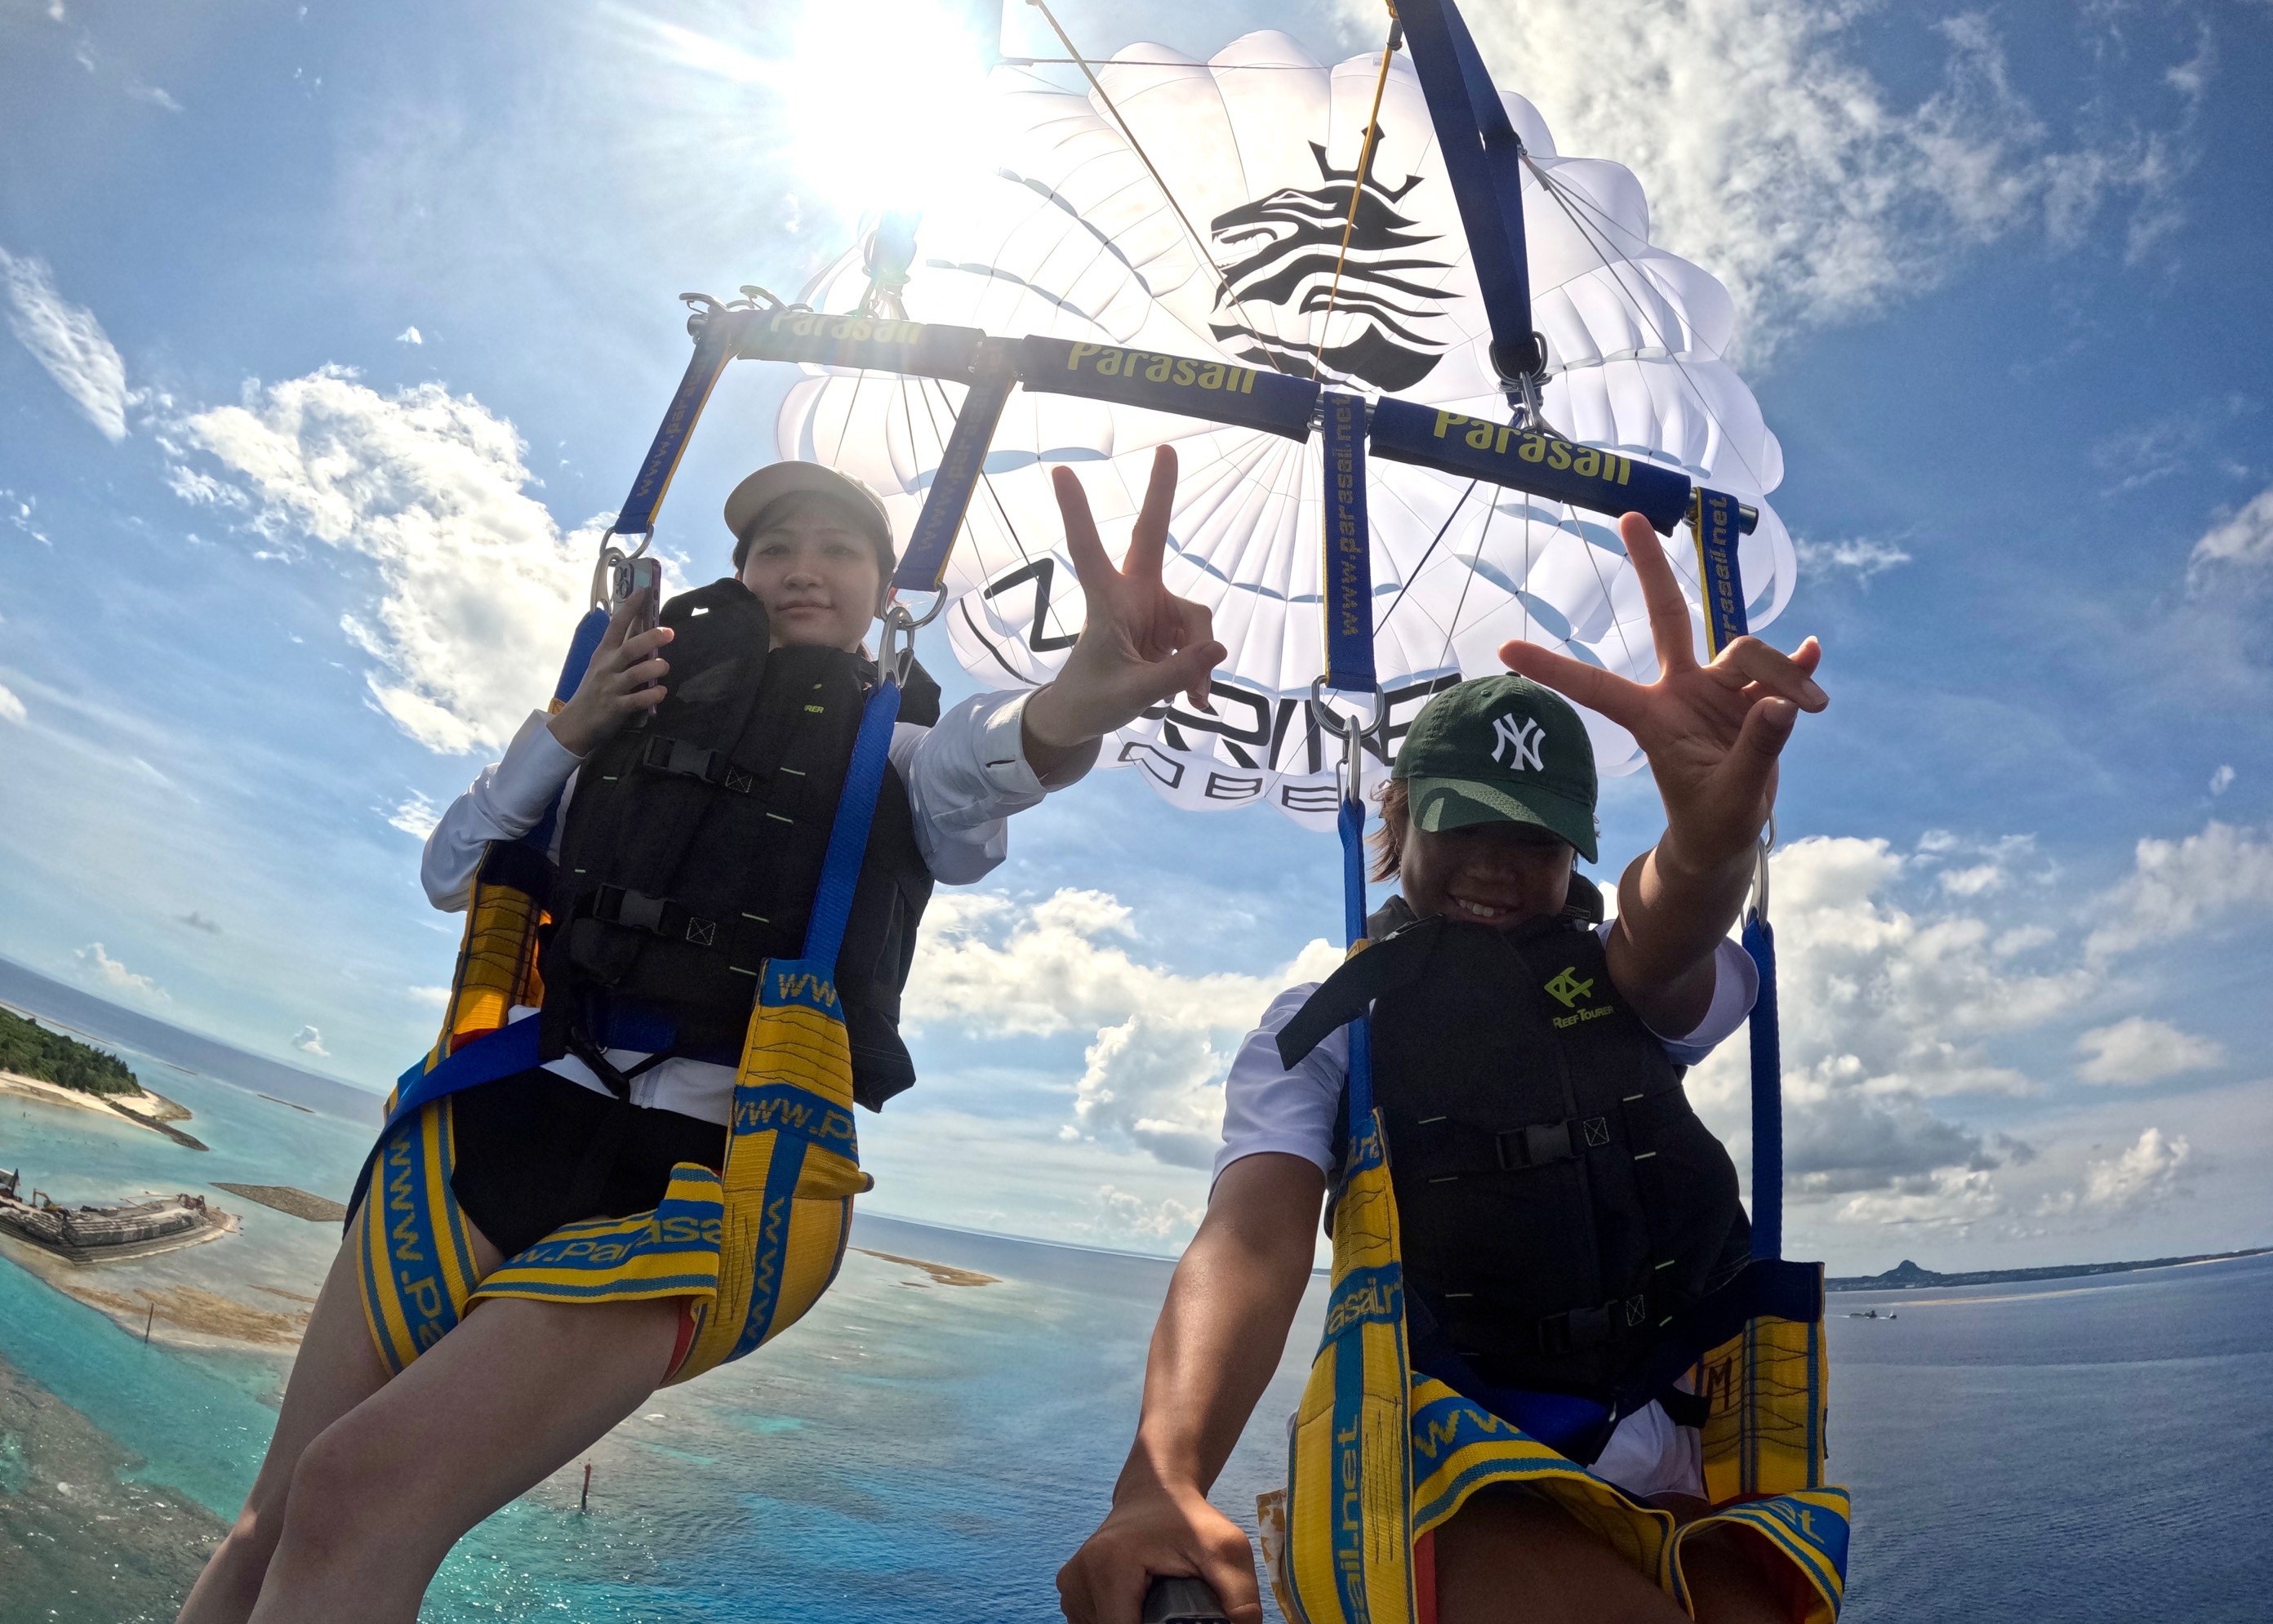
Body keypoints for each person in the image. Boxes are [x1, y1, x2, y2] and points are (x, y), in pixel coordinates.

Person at [178, 447, 1221, 1624]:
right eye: (775, 548)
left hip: (705, 1178)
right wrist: (568, 730)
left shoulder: (898, 756)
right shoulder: (618, 719)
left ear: (890, 593)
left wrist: (1082, 693)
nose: (801, 569)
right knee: (277, 1510)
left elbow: (1008, 751)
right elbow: (449, 870)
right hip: (499, 1122)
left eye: (838, 549)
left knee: (357, 1491)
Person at [1057, 512, 1830, 1624]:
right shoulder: (1334, 1021)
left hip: (1682, 1449)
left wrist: (1710, 845)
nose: (1496, 868)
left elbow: (1668, 931)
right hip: (1460, 1459)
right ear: (1397, 815)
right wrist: (1161, 1475)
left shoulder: (1622, 979)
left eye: (1535, 841)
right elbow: (1254, 1236)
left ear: (1575, 856)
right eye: (1465, 825)